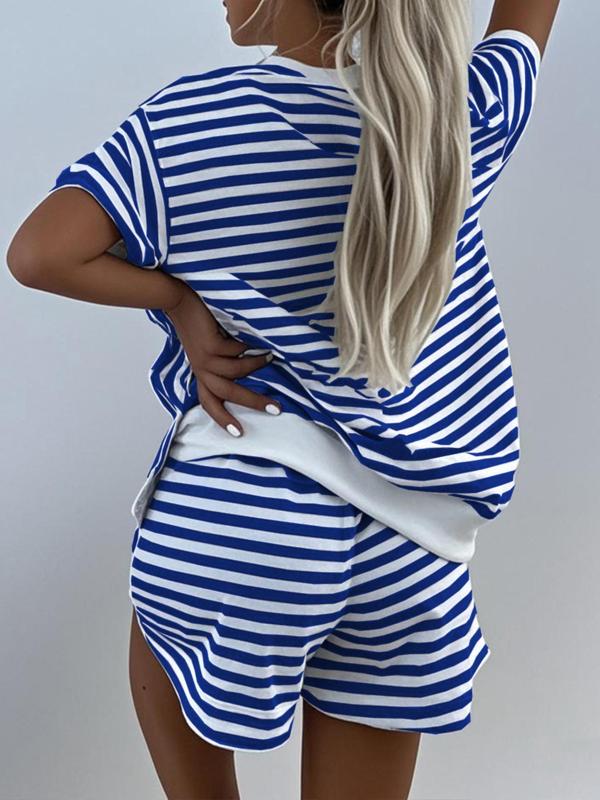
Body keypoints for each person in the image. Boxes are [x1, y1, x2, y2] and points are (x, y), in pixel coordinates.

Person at [7, 0, 560, 798]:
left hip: (242, 513)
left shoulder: (190, 123)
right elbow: (527, 18)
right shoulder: (458, 117)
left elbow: (38, 253)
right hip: (413, 546)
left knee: (164, 653)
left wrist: (179, 300)